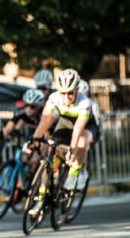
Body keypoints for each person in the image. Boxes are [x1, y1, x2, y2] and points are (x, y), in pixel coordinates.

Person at [23, 69, 99, 215]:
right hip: (65, 123)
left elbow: (78, 128)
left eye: (70, 93)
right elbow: (45, 120)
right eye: (63, 93)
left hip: (86, 126)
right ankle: (40, 199)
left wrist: (71, 149)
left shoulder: (85, 102)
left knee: (81, 143)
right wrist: (33, 139)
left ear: (77, 90)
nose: (67, 96)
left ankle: (75, 172)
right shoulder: (54, 97)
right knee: (51, 155)